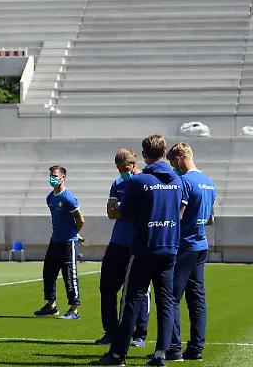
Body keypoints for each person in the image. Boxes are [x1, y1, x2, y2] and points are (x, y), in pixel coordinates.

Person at [93, 135, 184, 366]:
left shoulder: (139, 182)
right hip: (170, 246)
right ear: (164, 152)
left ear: (144, 155)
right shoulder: (177, 181)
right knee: (165, 301)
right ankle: (161, 354)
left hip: (145, 247)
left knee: (131, 300)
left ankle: (117, 354)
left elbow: (124, 212)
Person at [167, 142, 216, 362]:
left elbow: (178, 215)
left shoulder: (185, 182)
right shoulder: (208, 182)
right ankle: (196, 348)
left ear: (178, 160)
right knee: (197, 299)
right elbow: (211, 219)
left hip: (184, 246)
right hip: (201, 245)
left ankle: (174, 348)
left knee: (172, 297)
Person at [96, 149, 150, 348]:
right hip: (117, 242)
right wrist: (123, 209)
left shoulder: (146, 181)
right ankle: (111, 331)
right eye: (118, 169)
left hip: (137, 244)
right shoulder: (117, 183)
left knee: (138, 290)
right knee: (107, 288)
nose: (122, 172)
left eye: (124, 168)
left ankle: (139, 333)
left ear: (133, 164)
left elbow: (139, 213)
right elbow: (111, 212)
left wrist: (122, 208)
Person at [34, 165, 85, 320]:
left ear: (63, 177)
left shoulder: (68, 198)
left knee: (70, 274)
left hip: (68, 242)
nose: (52, 178)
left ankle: (74, 310)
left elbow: (80, 219)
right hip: (55, 240)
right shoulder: (50, 198)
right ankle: (51, 306)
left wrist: (75, 233)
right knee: (48, 272)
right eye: (51, 175)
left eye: (55, 175)